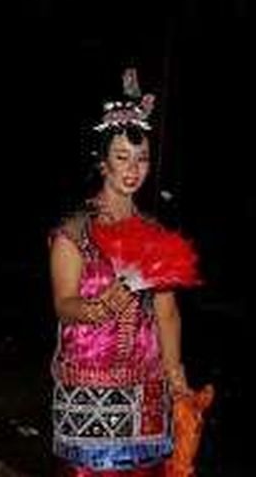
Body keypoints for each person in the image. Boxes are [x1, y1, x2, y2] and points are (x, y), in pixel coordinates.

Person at [49, 69, 193, 476]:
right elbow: (64, 305)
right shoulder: (74, 230)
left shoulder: (156, 235)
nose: (134, 168)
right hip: (89, 394)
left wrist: (176, 378)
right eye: (122, 157)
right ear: (102, 162)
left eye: (142, 158)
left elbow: (166, 313)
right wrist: (97, 307)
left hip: (146, 391)